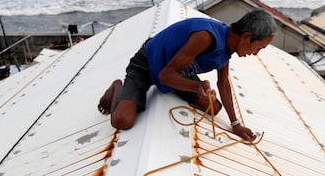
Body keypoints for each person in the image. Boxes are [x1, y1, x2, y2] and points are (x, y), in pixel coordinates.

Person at [98, 9, 277, 141]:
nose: (256, 53)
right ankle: (117, 87)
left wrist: (236, 124)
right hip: (147, 64)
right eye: (259, 48)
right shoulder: (205, 37)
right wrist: (197, 87)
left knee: (214, 108)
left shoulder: (229, 48)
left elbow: (223, 83)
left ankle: (180, 88)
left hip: (177, 70)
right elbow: (165, 75)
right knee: (122, 121)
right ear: (246, 37)